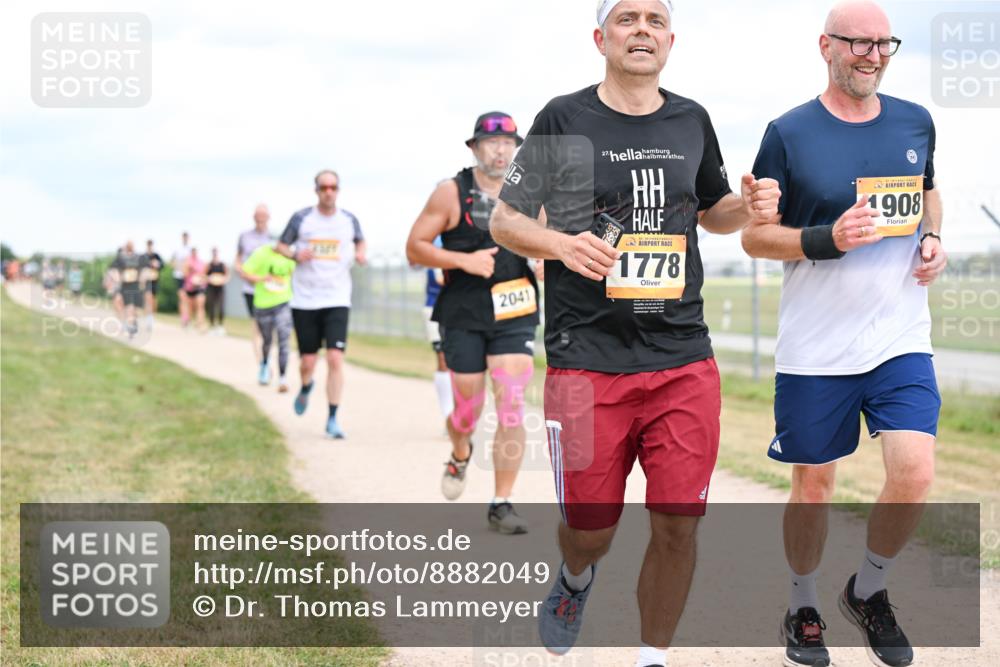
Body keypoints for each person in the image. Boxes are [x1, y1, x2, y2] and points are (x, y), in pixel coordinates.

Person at [489, 1, 780, 663]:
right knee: (590, 530)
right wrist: (561, 244)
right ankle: (576, 576)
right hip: (586, 357)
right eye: (627, 18)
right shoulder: (564, 117)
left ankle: (653, 655)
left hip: (681, 355)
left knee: (679, 522)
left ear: (671, 41)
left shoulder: (691, 118)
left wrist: (749, 203)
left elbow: (713, 212)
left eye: (655, 19)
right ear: (600, 37)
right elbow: (505, 222)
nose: (641, 28)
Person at [741, 3, 946, 666]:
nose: (873, 55)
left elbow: (928, 190)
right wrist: (826, 236)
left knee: (914, 471)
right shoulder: (788, 133)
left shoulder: (916, 120)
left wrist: (933, 236)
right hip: (816, 348)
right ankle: (803, 603)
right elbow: (754, 236)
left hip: (899, 336)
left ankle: (869, 589)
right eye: (858, 43)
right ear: (826, 45)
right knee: (814, 486)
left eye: (884, 43)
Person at [406, 111, 540, 534]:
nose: (500, 151)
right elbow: (415, 248)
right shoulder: (450, 192)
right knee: (466, 411)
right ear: (474, 148)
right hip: (463, 312)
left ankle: (502, 503)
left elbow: (550, 245)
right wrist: (462, 259)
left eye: (508, 144)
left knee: (512, 406)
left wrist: (543, 262)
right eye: (491, 143)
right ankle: (461, 451)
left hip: (514, 310)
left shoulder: (532, 192)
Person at [276, 170, 366, 439]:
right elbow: (280, 246)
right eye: (324, 187)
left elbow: (360, 240)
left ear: (338, 190)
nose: (329, 191)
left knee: (335, 358)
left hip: (337, 297)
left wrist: (360, 252)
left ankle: (333, 417)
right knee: (308, 361)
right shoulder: (302, 218)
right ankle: (306, 386)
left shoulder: (349, 220)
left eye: (333, 187)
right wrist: (294, 254)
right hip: (305, 299)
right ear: (316, 190)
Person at [241, 243, 296, 393]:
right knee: (267, 340)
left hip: (284, 302)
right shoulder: (261, 253)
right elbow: (244, 273)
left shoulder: (291, 256)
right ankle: (264, 364)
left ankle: (283, 378)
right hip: (263, 304)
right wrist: (261, 278)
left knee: (284, 339)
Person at [236, 205, 274, 371]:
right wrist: (241, 271)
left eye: (263, 216)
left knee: (270, 328)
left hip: (271, 290)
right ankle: (262, 364)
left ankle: (267, 357)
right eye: (258, 215)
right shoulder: (244, 236)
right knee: (258, 325)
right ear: (254, 217)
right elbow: (238, 260)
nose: (260, 218)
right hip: (251, 289)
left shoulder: (274, 237)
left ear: (268, 217)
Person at [422, 237, 453, 423]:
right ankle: (448, 414)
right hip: (434, 305)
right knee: (442, 359)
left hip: (462, 306)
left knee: (463, 362)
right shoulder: (432, 238)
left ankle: (462, 412)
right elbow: (440, 278)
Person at [110, 241, 149, 340]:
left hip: (136, 285)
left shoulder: (139, 258)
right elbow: (114, 269)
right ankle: (130, 328)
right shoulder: (121, 258)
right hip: (126, 286)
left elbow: (145, 269)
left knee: (135, 309)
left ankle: (133, 323)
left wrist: (142, 280)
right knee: (129, 306)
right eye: (128, 246)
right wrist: (118, 279)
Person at [183, 247, 208, 332]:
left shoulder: (201, 262)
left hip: (200, 287)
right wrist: (189, 269)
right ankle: (188, 321)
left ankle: (200, 323)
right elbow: (185, 274)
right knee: (190, 307)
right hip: (190, 287)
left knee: (200, 305)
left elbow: (204, 275)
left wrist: (200, 280)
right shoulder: (187, 262)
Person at [205, 247, 229, 335]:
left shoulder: (222, 264)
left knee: (221, 307)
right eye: (213, 252)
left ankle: (220, 325)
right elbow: (204, 275)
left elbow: (227, 275)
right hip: (211, 287)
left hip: (220, 287)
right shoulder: (209, 264)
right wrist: (210, 278)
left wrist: (223, 280)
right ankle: (212, 325)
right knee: (211, 306)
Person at [171, 232, 193, 327]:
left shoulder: (190, 250)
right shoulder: (177, 249)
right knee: (182, 297)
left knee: (188, 299)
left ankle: (187, 318)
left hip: (188, 277)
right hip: (179, 276)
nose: (185, 239)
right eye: (184, 237)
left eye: (186, 237)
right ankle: (183, 318)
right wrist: (178, 268)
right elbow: (172, 261)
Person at [143, 239, 164, 329]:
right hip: (146, 280)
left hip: (154, 280)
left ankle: (151, 316)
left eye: (151, 245)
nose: (150, 246)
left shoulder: (156, 256)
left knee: (154, 300)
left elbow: (162, 265)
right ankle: (148, 318)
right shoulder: (143, 256)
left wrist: (157, 264)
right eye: (148, 245)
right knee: (148, 298)